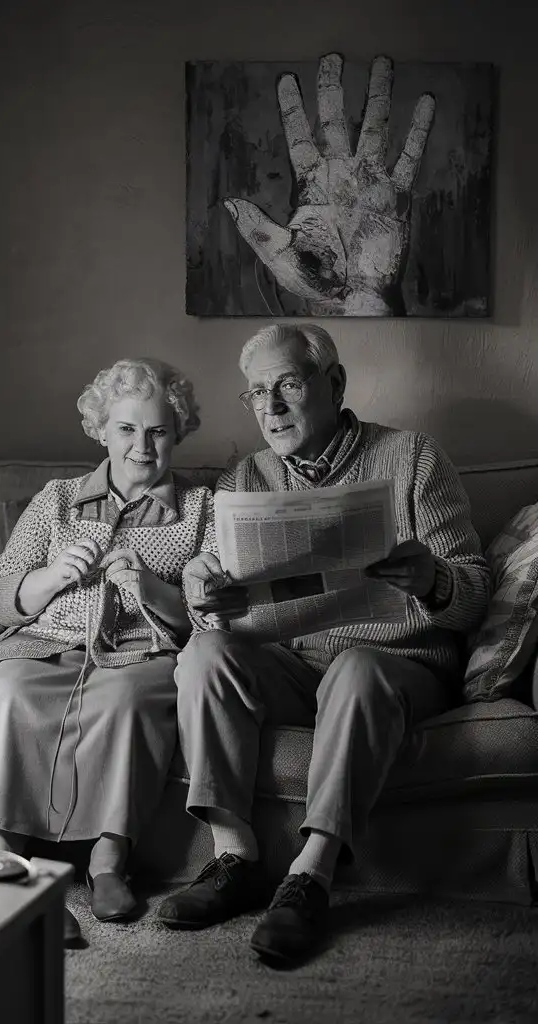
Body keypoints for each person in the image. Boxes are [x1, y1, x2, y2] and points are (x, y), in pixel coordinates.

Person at [157, 323, 490, 964]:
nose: (271, 407)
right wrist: (205, 598)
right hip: (289, 662)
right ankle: (234, 857)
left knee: (358, 668)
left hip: (395, 665)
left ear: (334, 383)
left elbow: (476, 591)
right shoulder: (243, 481)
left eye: (287, 383)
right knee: (202, 655)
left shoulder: (413, 458)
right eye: (257, 393)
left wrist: (435, 578)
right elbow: (210, 601)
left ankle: (309, 876)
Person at [0, 357, 213, 944]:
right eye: (127, 430)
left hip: (139, 653)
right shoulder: (57, 499)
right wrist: (51, 578)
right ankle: (4, 856)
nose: (142, 445)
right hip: (45, 645)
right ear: (101, 431)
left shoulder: (204, 508)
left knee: (130, 699)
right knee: (7, 688)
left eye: (158, 430)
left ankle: (108, 861)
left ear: (178, 432)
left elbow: (211, 618)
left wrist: (152, 588)